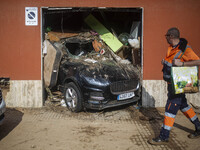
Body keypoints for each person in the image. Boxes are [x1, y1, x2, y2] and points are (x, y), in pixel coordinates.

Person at [148, 27, 200, 145]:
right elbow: (170, 63)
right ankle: (199, 127)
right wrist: (164, 62)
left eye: (166, 36)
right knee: (184, 106)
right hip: (171, 84)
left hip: (177, 86)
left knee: (169, 110)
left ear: (171, 36)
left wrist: (182, 63)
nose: (165, 38)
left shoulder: (185, 49)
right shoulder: (172, 48)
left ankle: (164, 136)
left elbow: (198, 61)